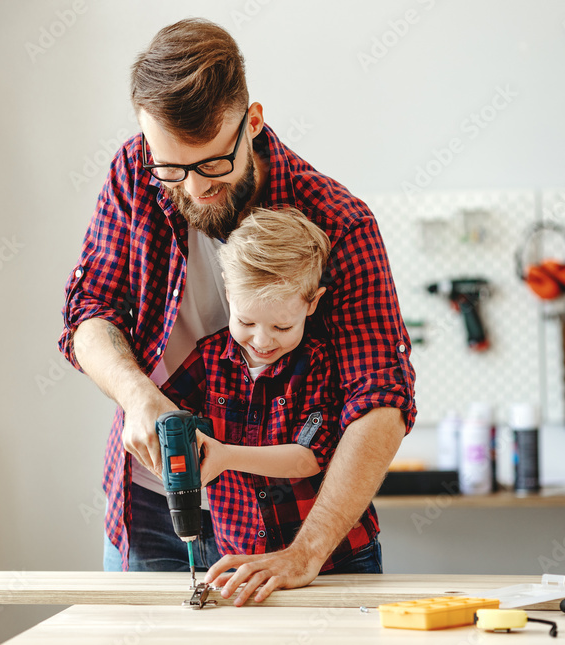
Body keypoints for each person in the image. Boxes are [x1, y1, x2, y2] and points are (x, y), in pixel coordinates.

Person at [58, 17, 416, 605]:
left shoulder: (339, 221)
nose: (194, 190)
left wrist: (306, 551)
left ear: (251, 122)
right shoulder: (133, 172)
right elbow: (89, 312)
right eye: (171, 167)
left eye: (212, 165)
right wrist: (137, 396)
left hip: (294, 525)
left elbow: (380, 399)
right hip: (149, 508)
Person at [160, 207, 380, 575]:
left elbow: (309, 458)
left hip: (337, 559)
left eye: (281, 326)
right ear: (229, 293)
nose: (262, 340)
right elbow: (166, 410)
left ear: (312, 303)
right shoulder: (209, 358)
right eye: (246, 321)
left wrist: (225, 455)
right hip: (242, 554)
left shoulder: (318, 364)